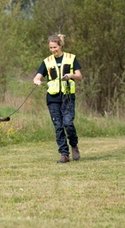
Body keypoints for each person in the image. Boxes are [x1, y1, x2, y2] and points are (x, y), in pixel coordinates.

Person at [33, 34, 82, 163]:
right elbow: (37, 77)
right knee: (58, 126)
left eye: (55, 47)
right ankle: (64, 154)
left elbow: (79, 76)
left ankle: (74, 145)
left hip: (67, 97)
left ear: (60, 46)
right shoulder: (47, 61)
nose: (53, 50)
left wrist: (70, 75)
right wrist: (37, 81)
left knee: (68, 123)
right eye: (50, 48)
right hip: (52, 98)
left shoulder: (71, 58)